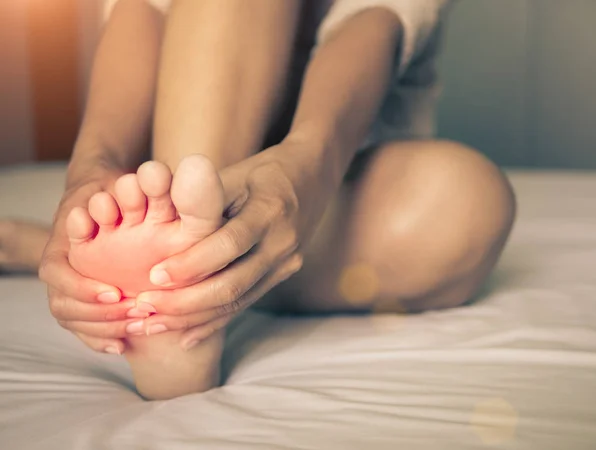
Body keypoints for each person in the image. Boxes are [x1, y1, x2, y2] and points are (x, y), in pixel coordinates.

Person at [1, 0, 516, 400]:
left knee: (470, 203)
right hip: (183, 161)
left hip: (323, 180)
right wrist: (89, 169)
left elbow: (373, 23)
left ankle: (171, 273)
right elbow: (142, 13)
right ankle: (187, 307)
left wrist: (297, 175)